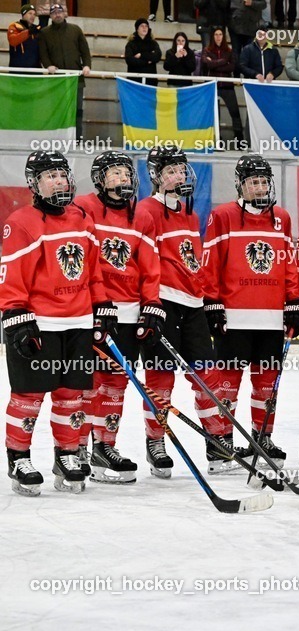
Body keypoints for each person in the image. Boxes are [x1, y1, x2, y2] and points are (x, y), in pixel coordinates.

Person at [1, 151, 113, 496]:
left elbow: (94, 270)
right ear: (34, 184)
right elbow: (11, 274)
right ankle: (18, 456)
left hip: (78, 321)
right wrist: (16, 317)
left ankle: (67, 454)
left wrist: (103, 306)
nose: (59, 181)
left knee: (71, 394)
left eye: (62, 174)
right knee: (29, 394)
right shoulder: (21, 222)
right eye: (50, 176)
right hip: (38, 324)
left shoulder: (81, 218)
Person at [205, 154, 299, 466]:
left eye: (264, 181)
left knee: (267, 381)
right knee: (228, 381)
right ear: (240, 185)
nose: (260, 187)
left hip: (271, 317)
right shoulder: (223, 215)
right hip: (235, 316)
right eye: (253, 182)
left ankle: (263, 437)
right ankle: (222, 440)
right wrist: (212, 302)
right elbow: (211, 262)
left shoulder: (282, 218)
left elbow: (288, 263)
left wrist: (295, 300)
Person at [135, 144, 224, 478]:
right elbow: (144, 261)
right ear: (156, 177)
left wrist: (207, 298)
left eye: (181, 169)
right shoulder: (146, 210)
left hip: (193, 304)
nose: (179, 176)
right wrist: (150, 305)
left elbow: (191, 261)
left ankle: (217, 439)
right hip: (163, 305)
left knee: (207, 375)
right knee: (161, 379)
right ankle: (155, 441)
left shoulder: (190, 213)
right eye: (171, 170)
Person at [76, 151, 163, 484]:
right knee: (86, 381)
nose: (122, 179)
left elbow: (149, 267)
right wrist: (95, 302)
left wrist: (151, 306)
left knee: (115, 382)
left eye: (126, 173)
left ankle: (104, 445)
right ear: (100, 179)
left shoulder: (142, 216)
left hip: (127, 314)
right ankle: (78, 447)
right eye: (114, 173)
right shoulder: (83, 207)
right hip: (92, 310)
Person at [38, 4, 90, 140]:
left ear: (64, 13)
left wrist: (87, 66)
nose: (57, 14)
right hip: (56, 80)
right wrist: (48, 65)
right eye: (54, 12)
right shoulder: (44, 33)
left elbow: (85, 51)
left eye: (59, 11)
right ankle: (56, 138)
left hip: (76, 78)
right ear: (50, 16)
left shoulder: (75, 30)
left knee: (77, 110)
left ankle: (77, 139)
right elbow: (43, 54)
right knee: (56, 109)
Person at [201, 27, 245, 145]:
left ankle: (239, 140)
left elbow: (232, 67)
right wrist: (223, 61)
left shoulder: (229, 51)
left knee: (235, 112)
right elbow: (206, 63)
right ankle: (216, 139)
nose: (218, 37)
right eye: (216, 34)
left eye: (220, 34)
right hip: (212, 86)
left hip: (227, 86)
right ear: (212, 36)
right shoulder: (207, 50)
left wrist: (214, 63)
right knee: (214, 114)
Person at [124, 18, 161, 86]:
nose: (144, 28)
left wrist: (141, 55)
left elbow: (157, 56)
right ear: (137, 29)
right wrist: (147, 61)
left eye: (146, 26)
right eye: (142, 26)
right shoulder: (131, 44)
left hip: (151, 81)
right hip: (134, 81)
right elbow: (129, 60)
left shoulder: (153, 43)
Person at [8, 4, 42, 69]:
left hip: (35, 70)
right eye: (30, 13)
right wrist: (28, 32)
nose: (33, 16)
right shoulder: (14, 26)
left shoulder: (37, 29)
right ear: (23, 14)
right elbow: (13, 40)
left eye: (34, 14)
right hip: (17, 70)